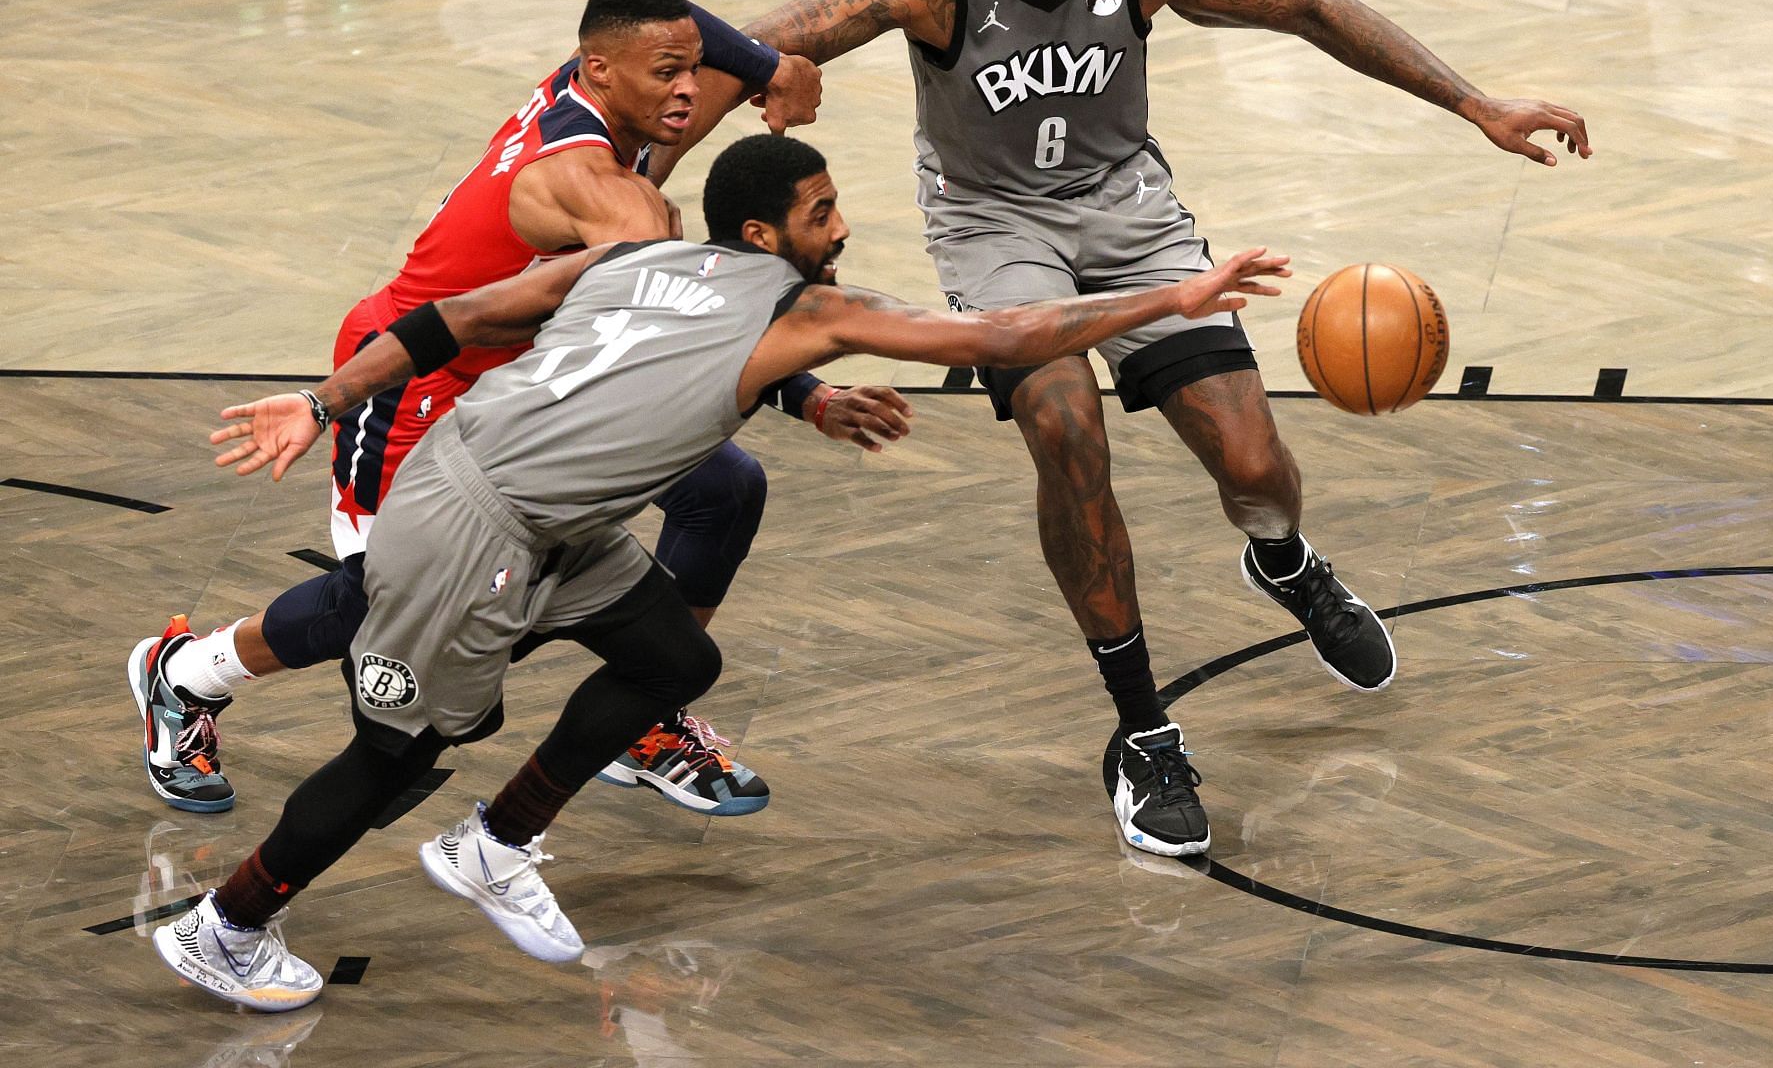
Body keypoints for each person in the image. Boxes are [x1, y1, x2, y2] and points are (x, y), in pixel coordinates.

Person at [152, 133, 1291, 1011]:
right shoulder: (810, 307)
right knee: (395, 755)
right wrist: (1174, 297)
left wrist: (323, 397)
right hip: (475, 528)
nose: (840, 227)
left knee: (671, 653)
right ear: (762, 233)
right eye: (821, 211)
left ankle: (493, 841)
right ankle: (227, 923)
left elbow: (459, 320)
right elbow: (1002, 336)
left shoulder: (634, 257)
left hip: (536, 507)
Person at [678, 0, 1594, 858]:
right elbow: (736, 45)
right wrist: (647, 157)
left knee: (1253, 461)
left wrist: (1476, 103)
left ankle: (1284, 560)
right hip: (993, 227)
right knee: (1065, 423)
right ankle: (1143, 729)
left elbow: (1307, 6)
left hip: (1127, 212)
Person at [128, 0, 915, 819]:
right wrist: (802, 393)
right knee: (380, 603)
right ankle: (184, 674)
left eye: (693, 69)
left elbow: (695, 39)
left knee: (724, 489)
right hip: (416, 377)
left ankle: (646, 712)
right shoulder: (604, 192)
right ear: (604, 70)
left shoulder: (615, 92)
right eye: (668, 74)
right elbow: (683, 330)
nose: (691, 90)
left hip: (529, 388)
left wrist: (768, 63)